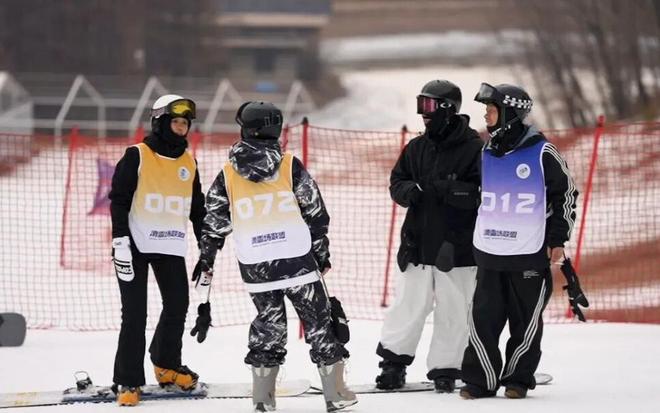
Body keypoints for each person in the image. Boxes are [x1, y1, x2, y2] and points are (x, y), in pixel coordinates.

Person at [194, 101, 357, 412]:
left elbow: (214, 222)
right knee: (319, 323)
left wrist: (207, 258)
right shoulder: (289, 165)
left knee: (268, 327)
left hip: (256, 266)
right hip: (297, 261)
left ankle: (263, 398)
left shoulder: (227, 174)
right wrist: (321, 253)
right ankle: (336, 394)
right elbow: (315, 212)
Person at [460, 83, 578, 399]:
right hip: (489, 252)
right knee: (482, 321)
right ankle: (480, 381)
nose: (486, 115)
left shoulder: (542, 152)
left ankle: (517, 379)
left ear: (510, 113)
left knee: (525, 323)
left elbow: (566, 195)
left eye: (492, 110)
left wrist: (558, 239)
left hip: (529, 253)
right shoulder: (486, 151)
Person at [375, 80, 483, 393]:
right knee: (408, 305)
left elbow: (480, 193)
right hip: (418, 242)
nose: (424, 113)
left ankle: (446, 368)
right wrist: (412, 191)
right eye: (421, 104)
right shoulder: (417, 148)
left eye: (430, 105)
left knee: (454, 309)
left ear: (449, 109)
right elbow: (397, 183)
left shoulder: (475, 149)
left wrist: (446, 189)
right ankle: (393, 364)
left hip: (457, 246)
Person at [109, 94, 206, 406]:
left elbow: (198, 210)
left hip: (169, 244)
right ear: (160, 123)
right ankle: (127, 379)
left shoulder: (189, 162)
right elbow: (119, 200)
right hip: (133, 245)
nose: (180, 127)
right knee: (135, 313)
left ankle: (166, 364)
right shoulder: (137, 155)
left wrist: (206, 248)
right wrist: (120, 240)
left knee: (178, 304)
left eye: (184, 123)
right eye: (175, 121)